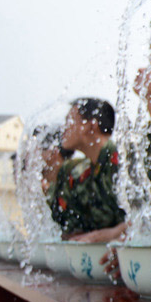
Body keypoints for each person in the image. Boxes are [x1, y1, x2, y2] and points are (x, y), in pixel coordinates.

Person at [50, 98, 127, 243]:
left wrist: (112, 234)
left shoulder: (125, 163)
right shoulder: (79, 173)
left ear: (92, 126)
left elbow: (150, 219)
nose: (64, 128)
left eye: (70, 121)